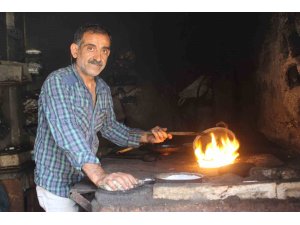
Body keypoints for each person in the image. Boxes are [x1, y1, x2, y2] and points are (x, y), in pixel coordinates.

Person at [33, 23, 172, 212]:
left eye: (104, 51)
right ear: (75, 51)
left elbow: (109, 127)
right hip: (58, 183)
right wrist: (99, 175)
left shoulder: (103, 88)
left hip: (84, 180)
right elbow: (67, 130)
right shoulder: (58, 82)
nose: (98, 57)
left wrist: (146, 136)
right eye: (91, 48)